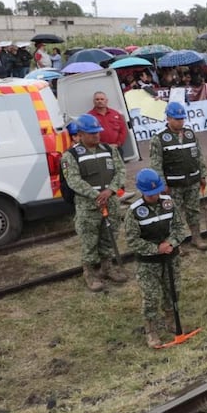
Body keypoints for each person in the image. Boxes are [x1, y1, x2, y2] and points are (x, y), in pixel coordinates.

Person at [60, 113, 127, 291]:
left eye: (97, 132)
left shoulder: (109, 149)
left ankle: (107, 268)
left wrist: (110, 190)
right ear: (80, 134)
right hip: (88, 208)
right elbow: (73, 180)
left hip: (110, 203)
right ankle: (89, 274)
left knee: (109, 238)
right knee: (89, 242)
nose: (96, 136)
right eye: (91, 133)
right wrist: (96, 195)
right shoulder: (70, 156)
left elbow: (121, 172)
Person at [124, 168, 187, 348]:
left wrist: (171, 243)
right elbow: (132, 240)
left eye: (157, 192)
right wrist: (156, 249)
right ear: (141, 191)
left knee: (173, 290)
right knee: (151, 296)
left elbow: (179, 227)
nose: (155, 196)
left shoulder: (168, 203)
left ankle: (171, 320)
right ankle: (151, 329)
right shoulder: (134, 212)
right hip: (148, 262)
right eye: (150, 194)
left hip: (170, 257)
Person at [148, 101, 207, 251]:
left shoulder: (190, 134)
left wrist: (203, 174)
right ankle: (176, 243)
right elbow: (156, 164)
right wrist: (162, 184)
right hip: (173, 185)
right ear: (168, 118)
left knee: (193, 210)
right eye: (177, 119)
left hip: (193, 180)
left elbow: (199, 155)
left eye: (182, 118)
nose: (180, 122)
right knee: (174, 214)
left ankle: (196, 237)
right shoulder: (159, 139)